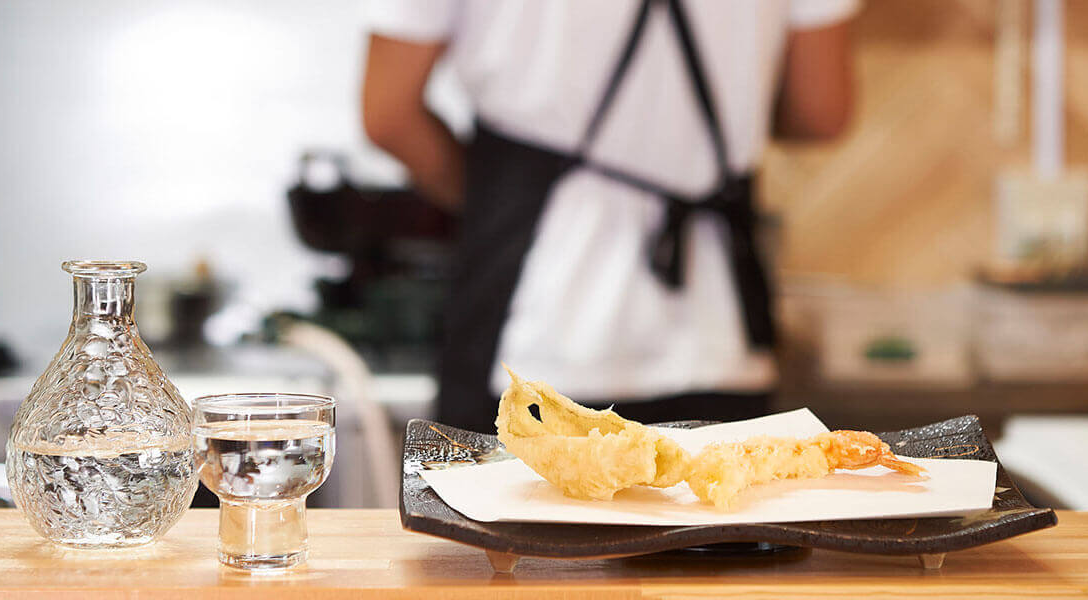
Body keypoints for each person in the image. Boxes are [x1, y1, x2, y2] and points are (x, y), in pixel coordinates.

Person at [363, 0, 857, 433]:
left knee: (500, 529)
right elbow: (820, 110)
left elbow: (388, 113)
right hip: (717, 339)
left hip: (532, 332)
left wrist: (499, 200)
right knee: (709, 533)